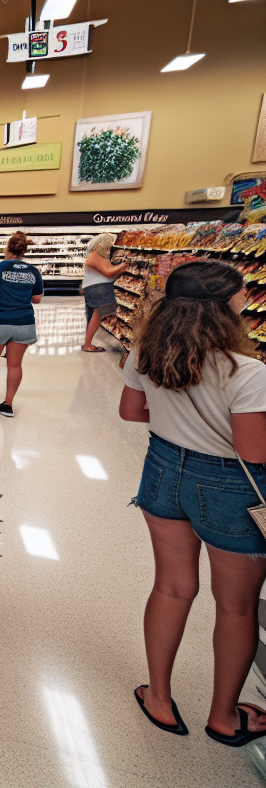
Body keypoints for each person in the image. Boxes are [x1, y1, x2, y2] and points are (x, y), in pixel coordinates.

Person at [119, 260, 266, 746]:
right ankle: (224, 717)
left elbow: (130, 410)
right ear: (226, 306)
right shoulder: (246, 371)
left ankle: (158, 697)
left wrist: (177, 424)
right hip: (228, 484)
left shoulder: (146, 349)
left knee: (172, 587)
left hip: (162, 469)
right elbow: (253, 451)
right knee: (236, 608)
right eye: (242, 295)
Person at [0, 231, 44, 417]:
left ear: (8, 248)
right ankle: (8, 405)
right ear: (24, 251)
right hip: (24, 323)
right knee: (14, 365)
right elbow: (37, 298)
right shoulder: (33, 271)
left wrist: (0, 292)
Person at [81, 232, 126, 352]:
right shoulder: (96, 255)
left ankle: (87, 343)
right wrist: (125, 265)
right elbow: (109, 271)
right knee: (99, 315)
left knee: (95, 315)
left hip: (95, 288)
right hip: (98, 289)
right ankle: (88, 345)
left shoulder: (97, 255)